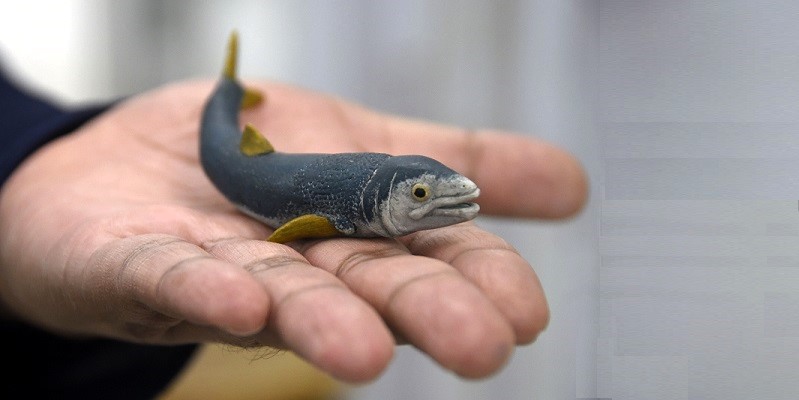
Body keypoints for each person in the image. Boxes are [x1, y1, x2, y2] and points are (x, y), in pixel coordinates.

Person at [0, 63, 587, 398]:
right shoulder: (330, 211)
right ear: (377, 199)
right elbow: (304, 227)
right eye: (418, 195)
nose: (433, 202)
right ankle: (224, 92)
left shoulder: (370, 200)